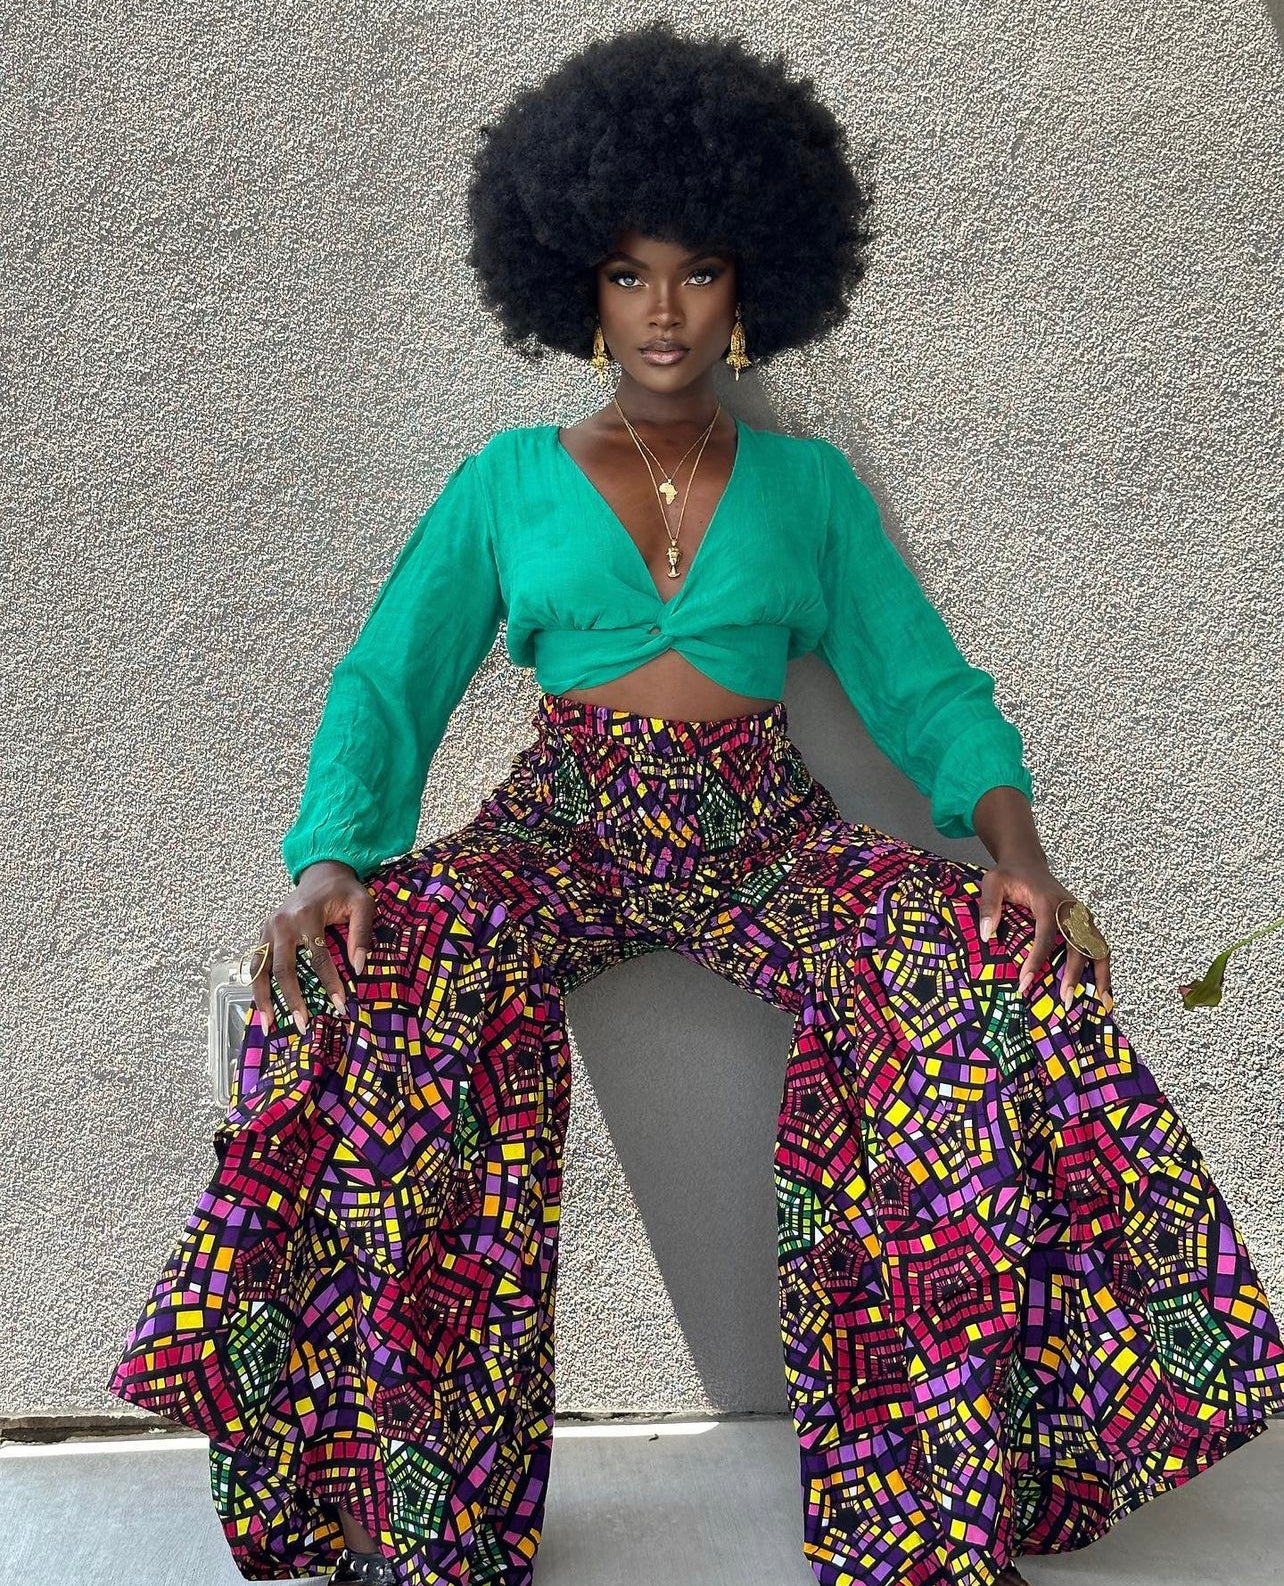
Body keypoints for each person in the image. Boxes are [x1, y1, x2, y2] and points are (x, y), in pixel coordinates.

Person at [107, 20, 1284, 1586]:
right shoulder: (504, 481)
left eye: (699, 272)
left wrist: (1019, 853)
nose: (663, 312)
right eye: (628, 274)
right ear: (577, 289)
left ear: (751, 286)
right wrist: (333, 861)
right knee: (378, 982)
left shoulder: (811, 492)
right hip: (561, 822)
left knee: (981, 977)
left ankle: (928, 1512)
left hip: (761, 831)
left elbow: (929, 686)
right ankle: (416, 1514)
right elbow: (388, 678)